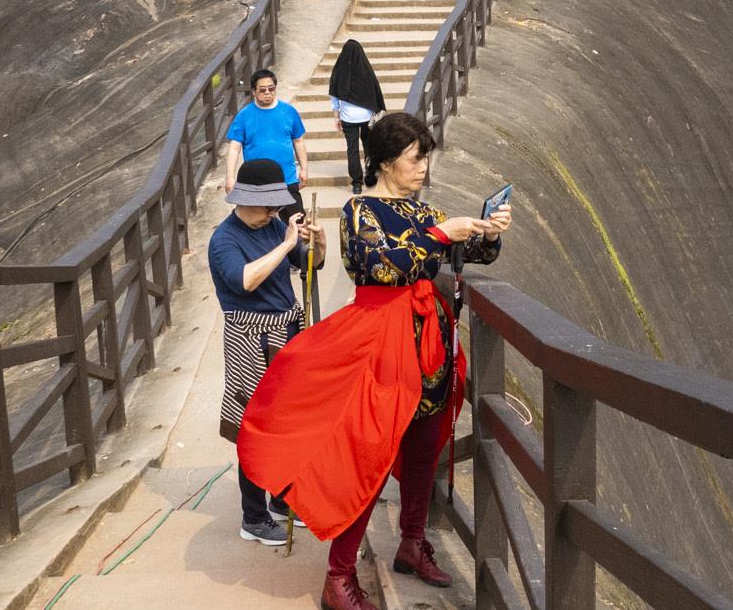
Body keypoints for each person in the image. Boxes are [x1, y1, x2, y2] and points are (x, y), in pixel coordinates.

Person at [239, 112, 511, 610]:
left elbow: (473, 252)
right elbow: (382, 266)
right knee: (368, 458)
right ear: (387, 160)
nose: (423, 167)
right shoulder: (358, 210)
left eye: (425, 156)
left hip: (428, 347)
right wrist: (440, 236)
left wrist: (489, 234)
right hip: (378, 347)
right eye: (415, 157)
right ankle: (338, 577)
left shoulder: (426, 214)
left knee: (425, 448)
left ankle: (411, 543)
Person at [212, 158, 325, 545]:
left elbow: (310, 263)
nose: (273, 214)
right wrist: (288, 244)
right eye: (268, 207)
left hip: (286, 330)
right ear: (244, 200)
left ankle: (280, 497)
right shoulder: (224, 239)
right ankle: (253, 515)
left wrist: (316, 240)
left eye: (277, 207)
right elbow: (244, 280)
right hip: (249, 336)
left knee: (287, 421)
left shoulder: (275, 225)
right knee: (254, 426)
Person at [225, 69, 308, 214]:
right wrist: (230, 178)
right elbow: (234, 148)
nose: (268, 93)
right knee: (258, 225)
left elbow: (298, 141)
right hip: (256, 184)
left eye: (271, 89)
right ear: (253, 92)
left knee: (297, 224)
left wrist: (304, 169)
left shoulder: (289, 112)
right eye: (262, 90)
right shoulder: (244, 115)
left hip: (286, 180)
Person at [326, 40, 385, 196]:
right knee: (369, 147)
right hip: (367, 118)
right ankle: (370, 176)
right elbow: (375, 91)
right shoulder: (365, 70)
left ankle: (356, 183)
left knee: (352, 150)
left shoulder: (339, 70)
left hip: (348, 118)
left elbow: (334, 95)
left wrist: (336, 117)